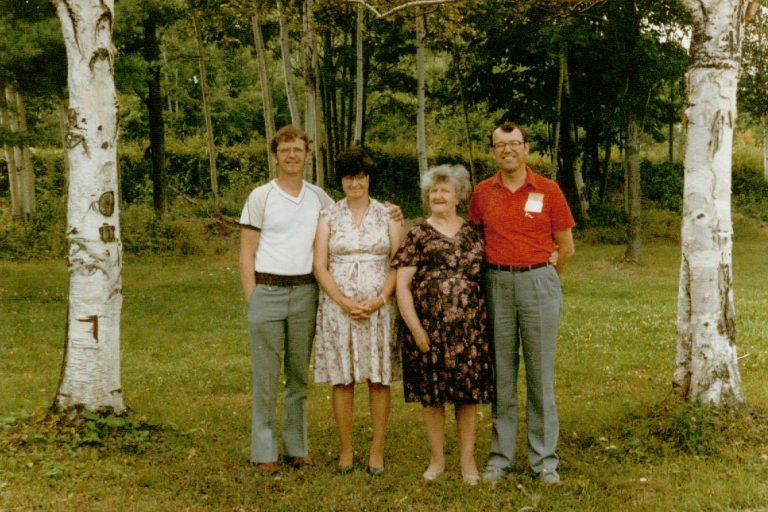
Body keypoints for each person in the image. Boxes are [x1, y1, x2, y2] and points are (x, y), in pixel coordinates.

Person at [468, 122, 575, 485]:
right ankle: (500, 457)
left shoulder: (548, 190)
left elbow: (567, 246)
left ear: (526, 148)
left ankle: (544, 460)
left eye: (514, 144)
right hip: (495, 283)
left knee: (540, 376)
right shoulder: (483, 193)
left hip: (538, 283)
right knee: (502, 374)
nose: (508, 150)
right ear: (493, 151)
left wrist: (542, 279)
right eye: (501, 145)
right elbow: (471, 238)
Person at [238, 125, 333, 478]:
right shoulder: (261, 197)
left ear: (307, 155)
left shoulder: (319, 198)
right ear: (275, 156)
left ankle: (297, 448)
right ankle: (264, 451)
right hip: (268, 292)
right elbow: (246, 254)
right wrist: (253, 298)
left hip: (306, 293)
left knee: (297, 377)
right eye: (285, 150)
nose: (292, 155)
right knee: (266, 375)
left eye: (298, 149)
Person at [392, 164, 494, 486]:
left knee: (467, 397)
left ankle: (467, 462)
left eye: (444, 190)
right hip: (429, 331)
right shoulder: (417, 234)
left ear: (458, 196)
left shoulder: (475, 233)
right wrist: (416, 329)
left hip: (470, 331)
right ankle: (436, 460)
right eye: (433, 191)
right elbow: (402, 286)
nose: (437, 195)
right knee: (432, 397)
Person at [312, 147, 404, 476]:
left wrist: (379, 300)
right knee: (343, 379)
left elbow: (398, 260)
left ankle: (377, 450)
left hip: (379, 307)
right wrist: (343, 301)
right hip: (339, 309)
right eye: (349, 177)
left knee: (378, 380)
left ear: (369, 179)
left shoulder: (388, 214)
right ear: (341, 180)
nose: (355, 183)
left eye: (361, 176)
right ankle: (346, 449)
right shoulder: (328, 215)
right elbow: (319, 264)